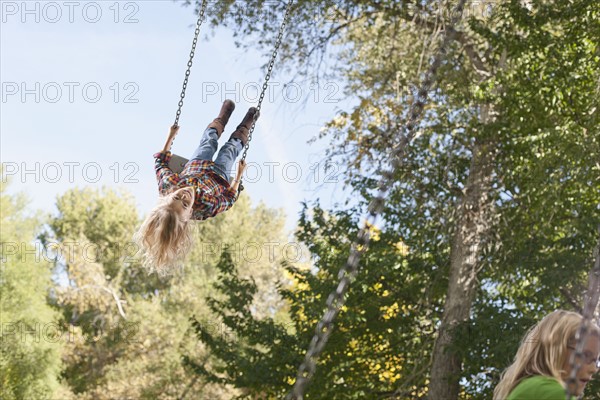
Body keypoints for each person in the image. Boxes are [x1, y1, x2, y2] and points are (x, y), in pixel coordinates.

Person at [135, 100, 258, 274]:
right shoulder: (206, 208)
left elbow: (160, 162)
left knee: (208, 141)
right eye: (185, 204)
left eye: (176, 197)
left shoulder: (169, 185)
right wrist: (238, 176)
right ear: (189, 215)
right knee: (230, 149)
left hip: (197, 165)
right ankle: (247, 124)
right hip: (219, 175)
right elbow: (229, 199)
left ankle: (222, 117)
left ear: (167, 197)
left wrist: (171, 136)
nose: (184, 195)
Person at [494, 310, 600, 399]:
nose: (594, 369)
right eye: (585, 355)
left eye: (595, 361)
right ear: (556, 349)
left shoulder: (528, 387)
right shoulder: (551, 392)